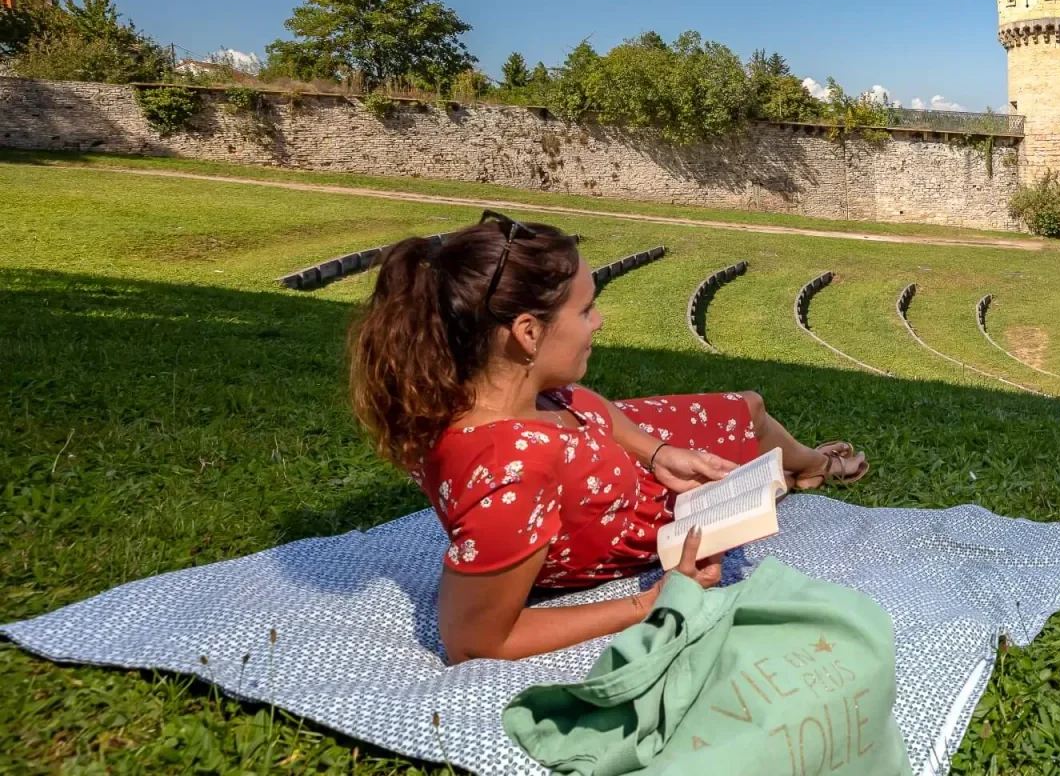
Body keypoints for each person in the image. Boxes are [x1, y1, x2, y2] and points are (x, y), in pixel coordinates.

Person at [347, 211, 869, 664]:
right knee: (748, 416)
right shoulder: (512, 471)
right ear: (527, 333)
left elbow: (589, 409)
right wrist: (653, 602)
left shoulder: (488, 387)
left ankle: (804, 466)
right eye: (584, 309)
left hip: (621, 455)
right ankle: (815, 468)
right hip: (627, 507)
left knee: (746, 408)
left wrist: (658, 451)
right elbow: (474, 640)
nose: (598, 322)